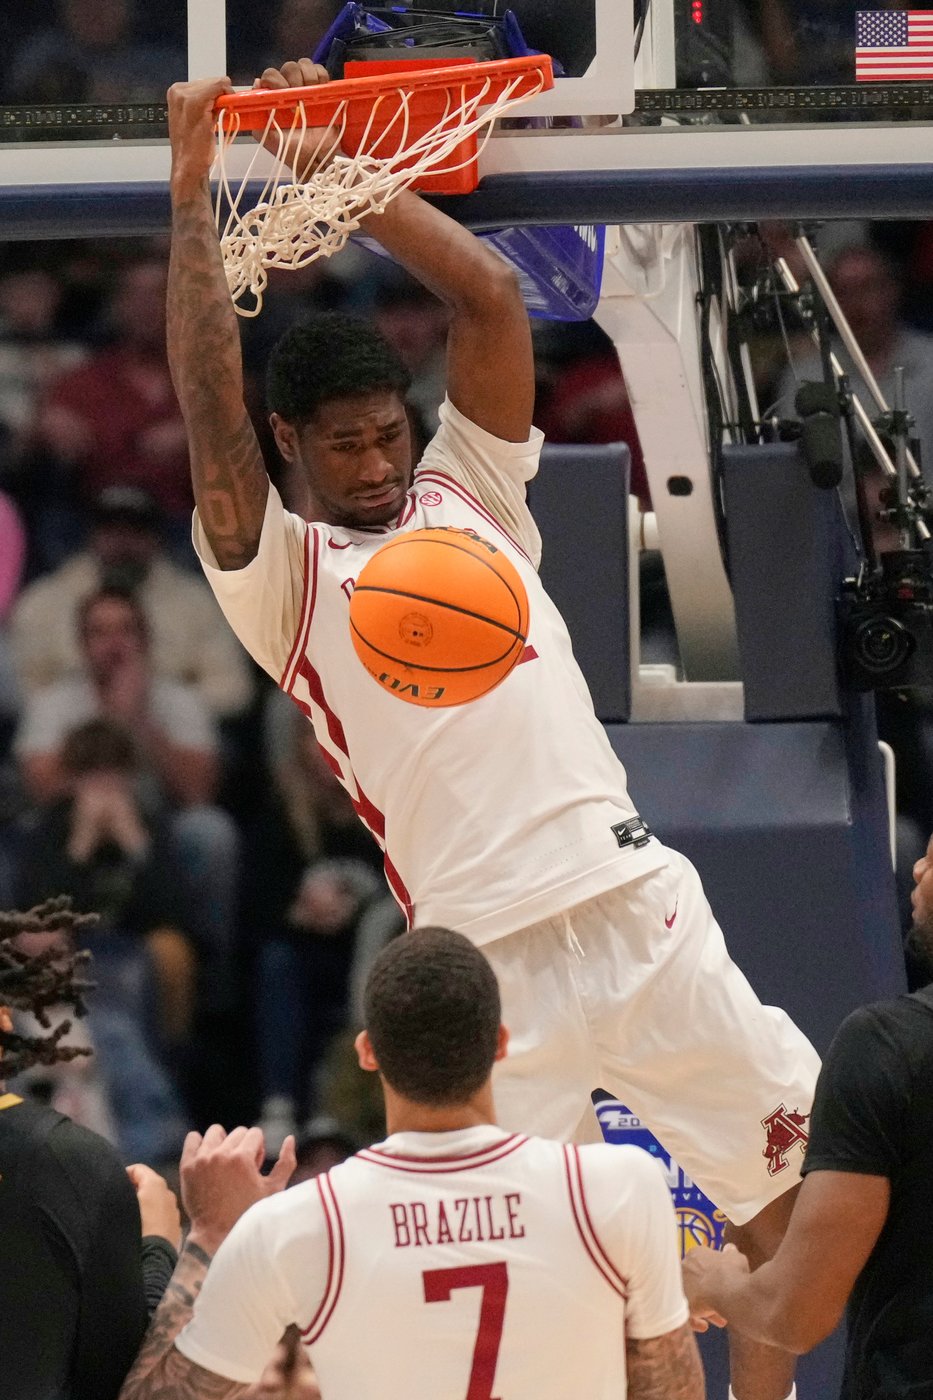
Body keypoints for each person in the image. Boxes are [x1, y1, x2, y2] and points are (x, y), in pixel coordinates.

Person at [167, 60, 821, 1400]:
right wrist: (192, 195)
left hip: (634, 898)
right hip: (485, 971)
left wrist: (341, 173)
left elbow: (486, 294)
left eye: (384, 434)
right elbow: (208, 412)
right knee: (530, 1314)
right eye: (341, 446)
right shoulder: (278, 578)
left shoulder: (468, 488)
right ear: (292, 444)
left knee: (796, 1214)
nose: (373, 461)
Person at [118, 926, 701, 1398]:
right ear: (499, 1042)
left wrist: (213, 1234)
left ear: (368, 1052)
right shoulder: (617, 1184)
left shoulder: (295, 1224)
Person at [683, 850, 933, 1399]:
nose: (916, 867)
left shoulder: (886, 1045)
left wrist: (714, 1281)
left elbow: (794, 1313)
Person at [13, 583, 239, 997]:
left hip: (161, 825)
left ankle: (208, 984)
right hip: (71, 822)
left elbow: (197, 793)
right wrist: (98, 798)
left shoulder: (178, 701)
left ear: (145, 640)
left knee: (210, 831)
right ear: (82, 644)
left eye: (126, 631)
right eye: (100, 632)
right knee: (26, 834)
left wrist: (136, 720)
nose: (113, 644)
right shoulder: (54, 703)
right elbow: (41, 794)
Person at [0, 895, 182, 1400]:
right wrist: (163, 1246)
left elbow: (159, 1120)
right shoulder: (67, 1161)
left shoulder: (111, 1036)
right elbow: (128, 1371)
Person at [11, 484, 253, 723]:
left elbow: (233, 691)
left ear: (157, 538)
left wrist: (156, 705)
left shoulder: (196, 602)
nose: (123, 541)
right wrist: (91, 706)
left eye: (135, 530)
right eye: (112, 530)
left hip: (170, 733)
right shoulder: (43, 601)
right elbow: (22, 686)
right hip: (70, 732)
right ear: (92, 535)